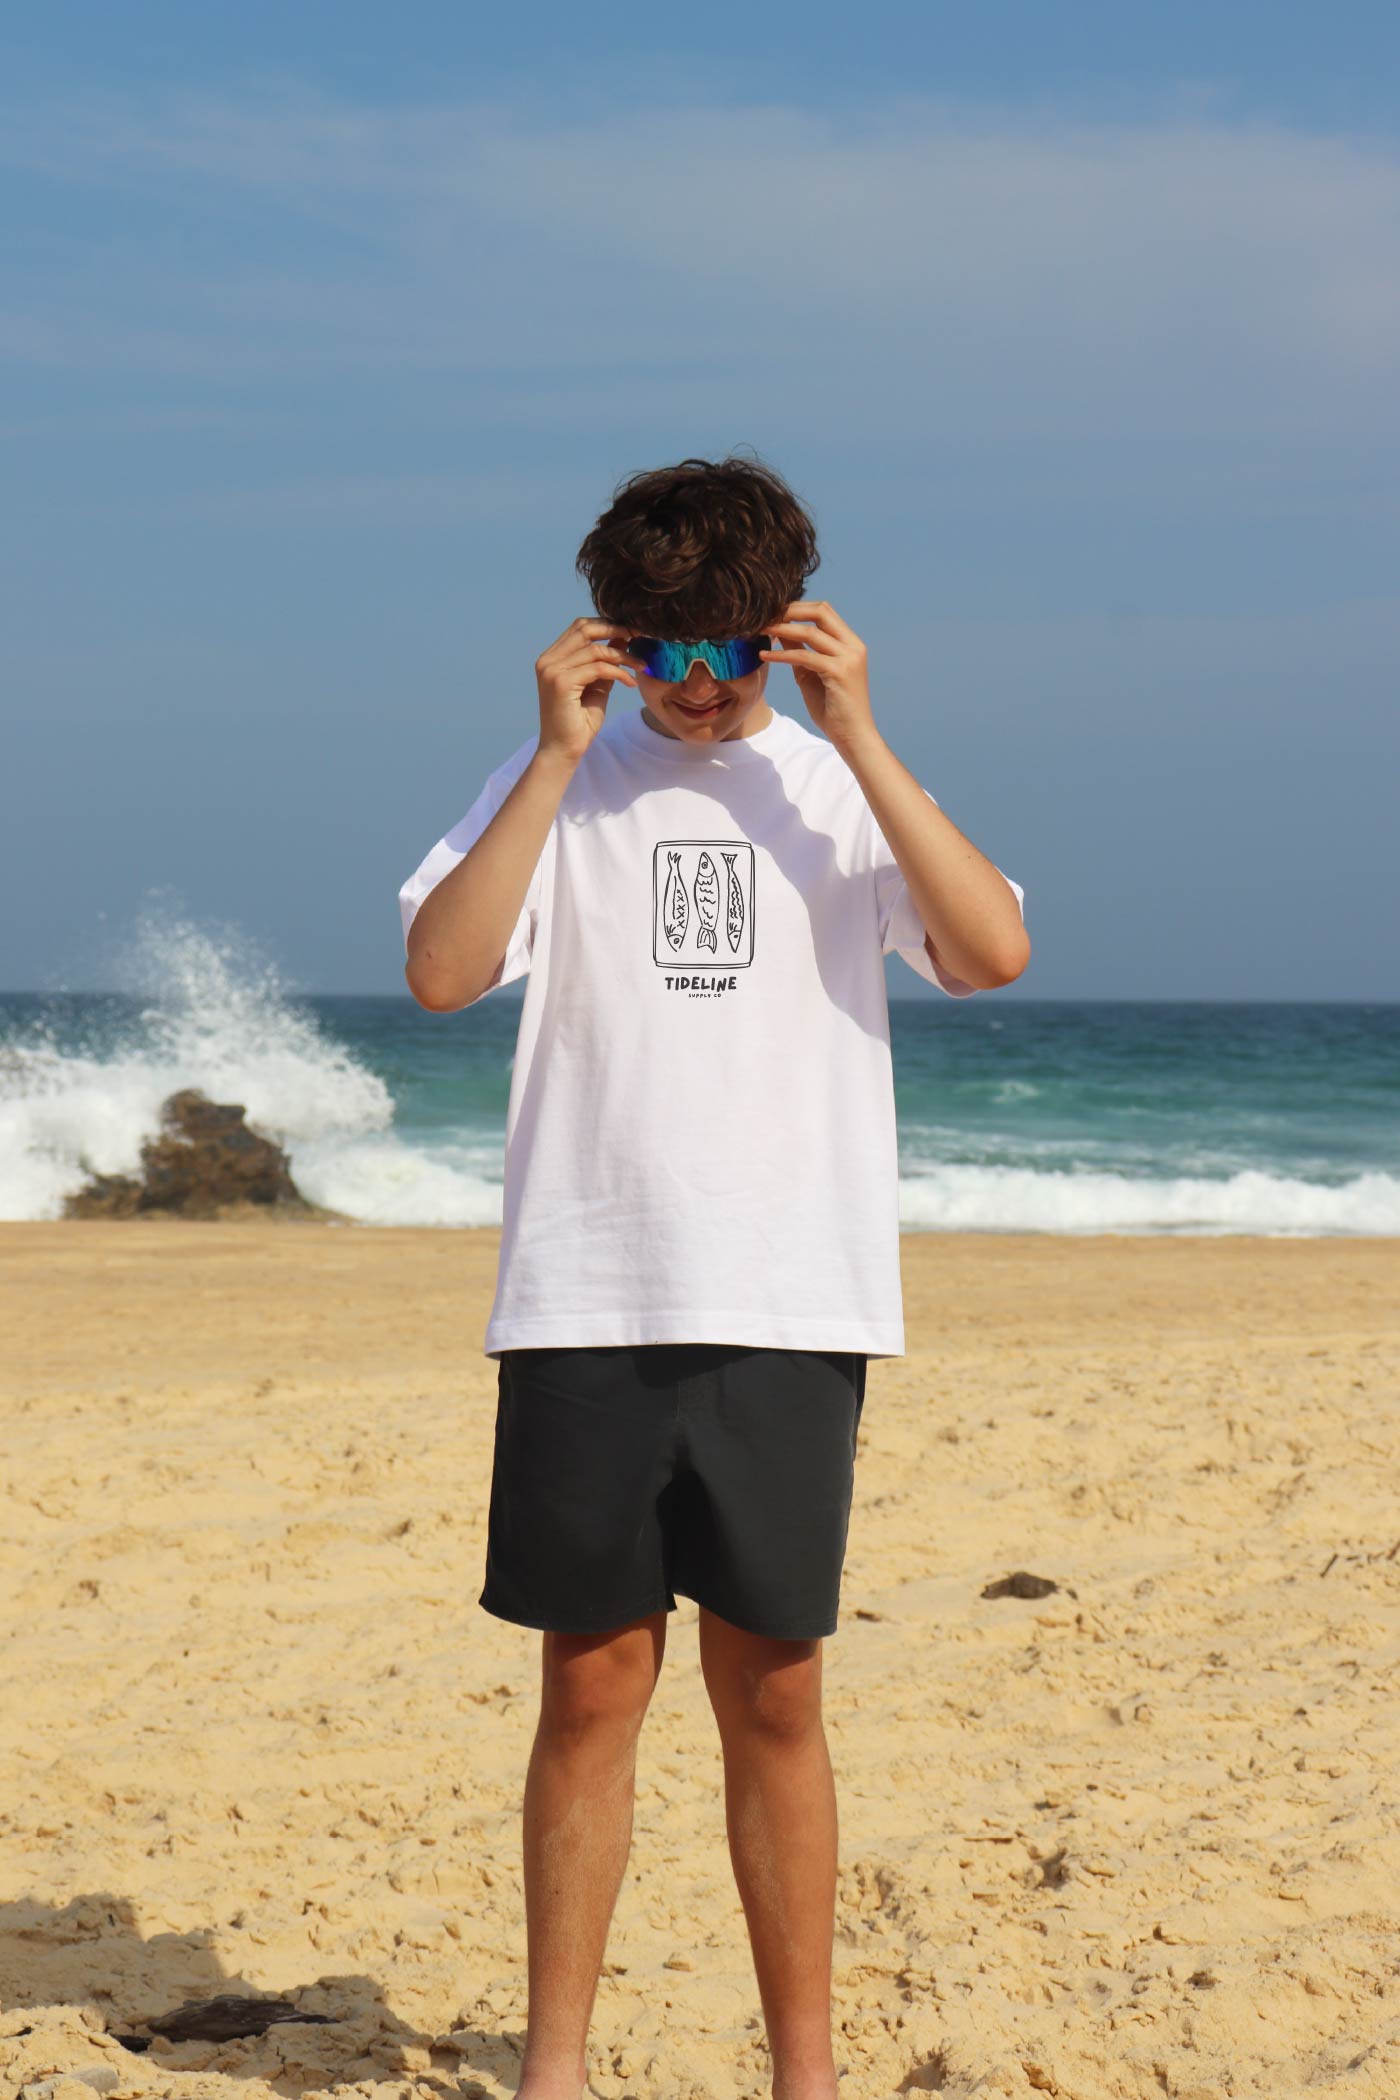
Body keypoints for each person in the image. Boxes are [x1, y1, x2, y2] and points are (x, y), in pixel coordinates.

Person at [398, 454, 1029, 2100]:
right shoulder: (560, 781)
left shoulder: (837, 788)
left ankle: (802, 2075)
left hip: (791, 1296)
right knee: (592, 1680)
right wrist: (550, 756)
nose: (691, 690)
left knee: (779, 1689)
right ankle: (556, 2068)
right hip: (588, 1293)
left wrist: (866, 735)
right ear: (610, 640)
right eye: (658, 653)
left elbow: (988, 952)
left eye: (726, 652)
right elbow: (445, 972)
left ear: (784, 636)